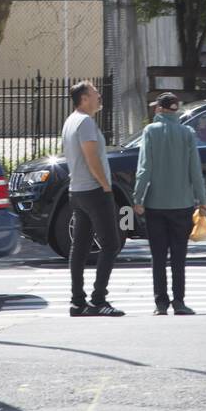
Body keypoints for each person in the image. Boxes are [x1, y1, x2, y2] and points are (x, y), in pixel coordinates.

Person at [133, 92, 206, 316]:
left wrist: (137, 198)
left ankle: (160, 303)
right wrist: (202, 200)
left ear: (160, 109)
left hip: (156, 204)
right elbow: (195, 170)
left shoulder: (150, 132)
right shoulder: (187, 133)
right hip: (183, 204)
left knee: (158, 257)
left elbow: (144, 167)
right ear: (175, 110)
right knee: (178, 256)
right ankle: (179, 301)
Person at [60, 80, 124, 317]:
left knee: (80, 247)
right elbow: (91, 157)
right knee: (110, 244)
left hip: (77, 191)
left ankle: (77, 302)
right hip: (94, 191)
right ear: (84, 99)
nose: (99, 96)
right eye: (95, 93)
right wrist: (106, 186)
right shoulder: (85, 122)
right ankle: (98, 300)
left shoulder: (70, 121)